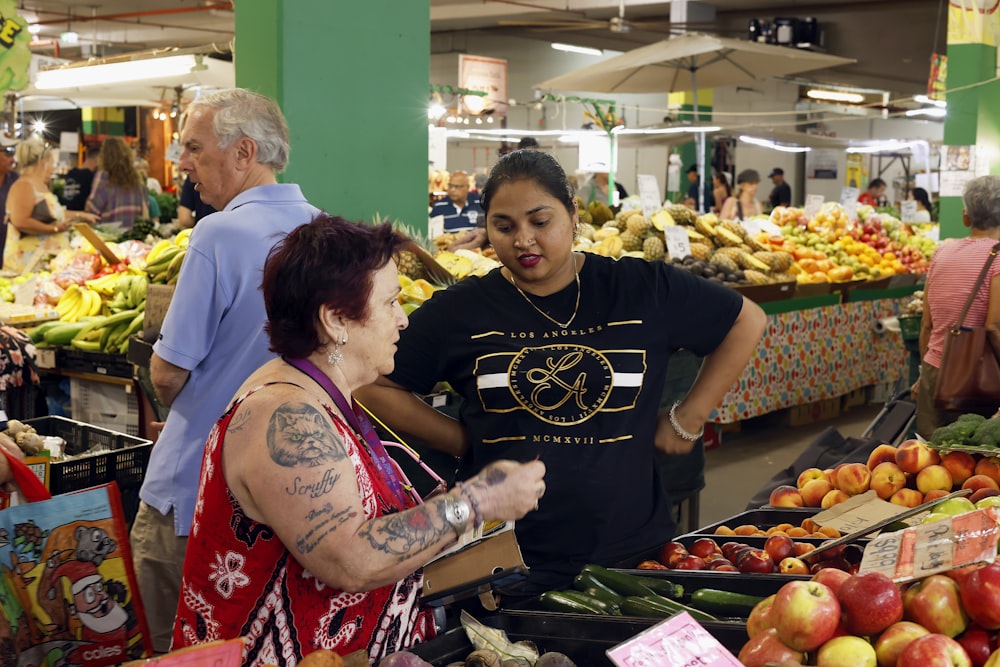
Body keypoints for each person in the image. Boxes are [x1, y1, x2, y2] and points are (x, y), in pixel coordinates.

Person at [356, 149, 767, 593]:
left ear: (573, 215)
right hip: (510, 558)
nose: (523, 240)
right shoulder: (462, 309)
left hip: (634, 550)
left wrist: (688, 418)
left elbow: (747, 320)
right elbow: (372, 383)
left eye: (540, 221)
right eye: (504, 226)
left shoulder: (639, 289)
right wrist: (459, 438)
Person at [172, 215, 545, 662]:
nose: (404, 320)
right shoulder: (286, 415)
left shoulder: (324, 396)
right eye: (390, 303)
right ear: (335, 320)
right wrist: (476, 502)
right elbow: (349, 557)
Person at [132, 88, 322, 654]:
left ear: (244, 153)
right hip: (284, 492)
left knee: (174, 645)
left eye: (192, 147)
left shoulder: (216, 235)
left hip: (195, 487)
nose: (181, 163)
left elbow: (167, 373)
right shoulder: (326, 230)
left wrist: (188, 405)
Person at [912, 175, 1000, 436]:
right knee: (972, 461)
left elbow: (927, 324)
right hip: (976, 377)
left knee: (930, 462)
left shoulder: (942, 252)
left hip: (934, 370)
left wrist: (922, 372)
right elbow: (994, 327)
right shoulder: (997, 259)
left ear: (965, 217)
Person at [3, 138, 98, 273]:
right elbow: (21, 221)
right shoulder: (24, 185)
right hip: (26, 263)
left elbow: (53, 212)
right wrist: (53, 229)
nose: (53, 167)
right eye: (52, 162)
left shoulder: (41, 186)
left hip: (41, 261)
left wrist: (81, 215)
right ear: (44, 161)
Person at [85, 137, 147, 229]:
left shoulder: (103, 177)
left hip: (110, 235)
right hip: (133, 234)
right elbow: (145, 204)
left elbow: (94, 209)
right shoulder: (136, 177)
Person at [59, 145, 97, 211]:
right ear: (98, 159)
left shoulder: (71, 172)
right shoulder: (91, 177)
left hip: (65, 213)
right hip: (80, 216)